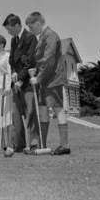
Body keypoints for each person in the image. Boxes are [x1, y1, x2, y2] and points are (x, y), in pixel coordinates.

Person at [26, 11, 70, 155]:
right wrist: (36, 70)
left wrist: (38, 78)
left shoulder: (50, 36)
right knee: (43, 110)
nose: (30, 31)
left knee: (57, 109)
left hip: (53, 79)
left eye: (31, 27)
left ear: (38, 23)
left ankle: (64, 145)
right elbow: (42, 60)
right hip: (45, 80)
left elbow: (49, 59)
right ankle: (42, 144)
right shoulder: (42, 37)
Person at [2, 13, 40, 155]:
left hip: (27, 83)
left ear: (17, 25)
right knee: (16, 114)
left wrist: (21, 79)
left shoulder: (30, 38)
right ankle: (18, 145)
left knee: (31, 113)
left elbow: (31, 61)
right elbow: (12, 60)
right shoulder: (13, 40)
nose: (8, 32)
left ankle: (34, 144)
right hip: (16, 83)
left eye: (9, 29)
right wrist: (13, 72)